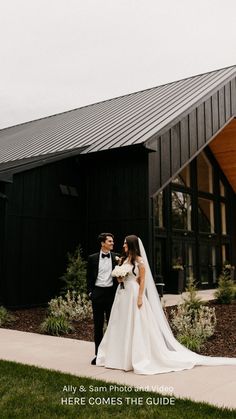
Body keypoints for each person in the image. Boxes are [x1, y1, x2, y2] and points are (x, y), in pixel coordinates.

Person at [95, 235, 236, 374]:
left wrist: (139, 297)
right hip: (122, 295)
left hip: (133, 294)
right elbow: (123, 278)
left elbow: (142, 281)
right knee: (120, 323)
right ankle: (118, 356)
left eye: (126, 243)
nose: (123, 245)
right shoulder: (124, 259)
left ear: (132, 245)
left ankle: (135, 357)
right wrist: (120, 278)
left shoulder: (140, 261)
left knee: (136, 323)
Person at [87, 232, 119, 365]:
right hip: (98, 294)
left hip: (111, 295)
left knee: (112, 326)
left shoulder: (117, 257)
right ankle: (98, 355)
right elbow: (88, 277)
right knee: (98, 326)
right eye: (110, 241)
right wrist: (90, 292)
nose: (112, 243)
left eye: (112, 241)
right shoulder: (92, 258)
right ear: (103, 243)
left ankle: (113, 354)